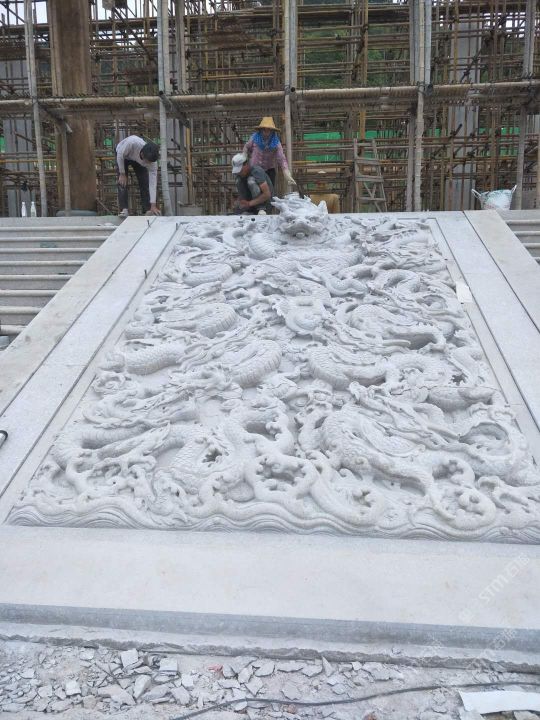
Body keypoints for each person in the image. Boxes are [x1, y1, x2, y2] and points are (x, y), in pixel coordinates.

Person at [243, 117, 296, 188]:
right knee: (255, 189)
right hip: (255, 168)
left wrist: (286, 171)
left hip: (269, 170)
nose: (266, 131)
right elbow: (246, 147)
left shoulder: (276, 142)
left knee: (269, 190)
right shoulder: (254, 138)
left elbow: (281, 158)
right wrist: (244, 157)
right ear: (261, 129)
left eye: (268, 129)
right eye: (264, 129)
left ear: (272, 131)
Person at [116, 135, 161, 217]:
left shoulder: (153, 164)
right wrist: (122, 173)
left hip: (136, 160)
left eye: (150, 162)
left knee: (144, 182)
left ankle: (148, 209)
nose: (148, 164)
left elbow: (152, 183)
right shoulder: (132, 143)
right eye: (147, 162)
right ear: (142, 155)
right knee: (122, 182)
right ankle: (124, 209)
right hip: (123, 156)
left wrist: (153, 205)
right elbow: (120, 155)